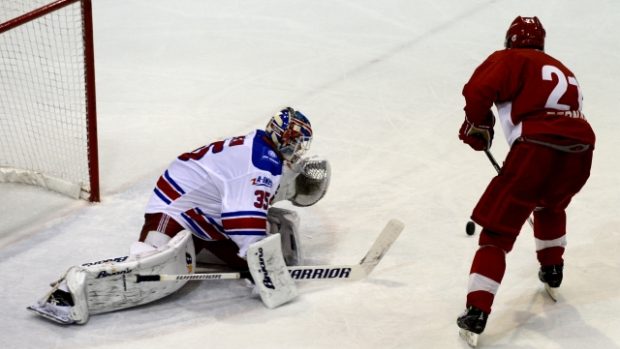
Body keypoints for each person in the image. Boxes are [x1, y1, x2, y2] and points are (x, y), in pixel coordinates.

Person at [28, 107, 331, 324]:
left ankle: (206, 246)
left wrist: (255, 260)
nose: (300, 149)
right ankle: (71, 288)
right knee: (146, 268)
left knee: (245, 254)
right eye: (298, 140)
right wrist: (259, 262)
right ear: (285, 138)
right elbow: (243, 217)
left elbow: (242, 205)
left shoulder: (263, 151)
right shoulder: (261, 161)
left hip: (206, 213)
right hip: (177, 206)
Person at [456, 16, 595, 337]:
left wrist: (478, 124)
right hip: (582, 150)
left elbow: (478, 90)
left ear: (509, 40)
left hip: (537, 148)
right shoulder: (561, 68)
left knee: (497, 234)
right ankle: (552, 269)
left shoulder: (509, 58)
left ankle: (477, 310)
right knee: (550, 205)